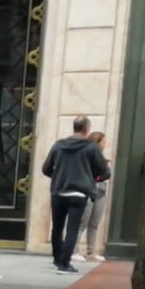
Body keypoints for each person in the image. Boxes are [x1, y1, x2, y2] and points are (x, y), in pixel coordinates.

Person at [41, 115, 111, 274]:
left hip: (59, 191)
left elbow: (46, 168)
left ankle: (57, 259)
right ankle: (65, 263)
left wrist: (59, 176)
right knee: (72, 228)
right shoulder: (91, 147)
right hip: (79, 193)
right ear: (86, 129)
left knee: (57, 227)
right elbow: (104, 171)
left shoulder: (58, 145)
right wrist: (90, 178)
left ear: (74, 127)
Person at [75, 131, 111, 262]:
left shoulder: (101, 157)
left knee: (94, 223)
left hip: (100, 191)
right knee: (82, 222)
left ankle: (91, 252)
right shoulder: (86, 155)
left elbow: (106, 174)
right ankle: (74, 251)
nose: (104, 145)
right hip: (88, 191)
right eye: (103, 142)